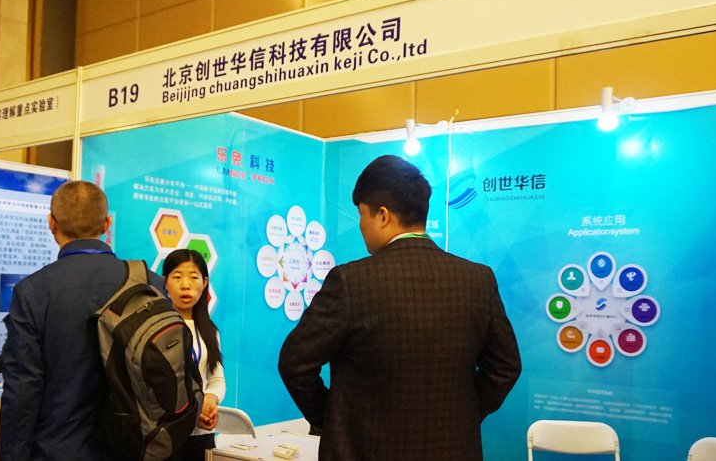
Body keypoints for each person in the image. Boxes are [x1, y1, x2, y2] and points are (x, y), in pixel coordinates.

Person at [278, 155, 522, 461]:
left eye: (361, 214)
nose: (360, 225)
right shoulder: (478, 280)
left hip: (362, 450)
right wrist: (465, 413)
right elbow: (505, 368)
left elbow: (295, 363)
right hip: (454, 447)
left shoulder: (351, 281)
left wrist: (334, 418)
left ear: (382, 216)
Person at [0, 180, 165, 461]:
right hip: (137, 449)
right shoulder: (150, 282)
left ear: (51, 223)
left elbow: (22, 391)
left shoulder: (33, 291)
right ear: (107, 224)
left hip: (57, 451)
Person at [162, 249, 225, 461]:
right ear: (165, 282)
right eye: (177, 277)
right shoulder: (156, 330)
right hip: (168, 435)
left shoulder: (210, 331)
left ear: (204, 283)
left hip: (203, 435)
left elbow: (217, 380)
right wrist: (192, 411)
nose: (185, 285)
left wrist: (209, 400)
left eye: (194, 277)